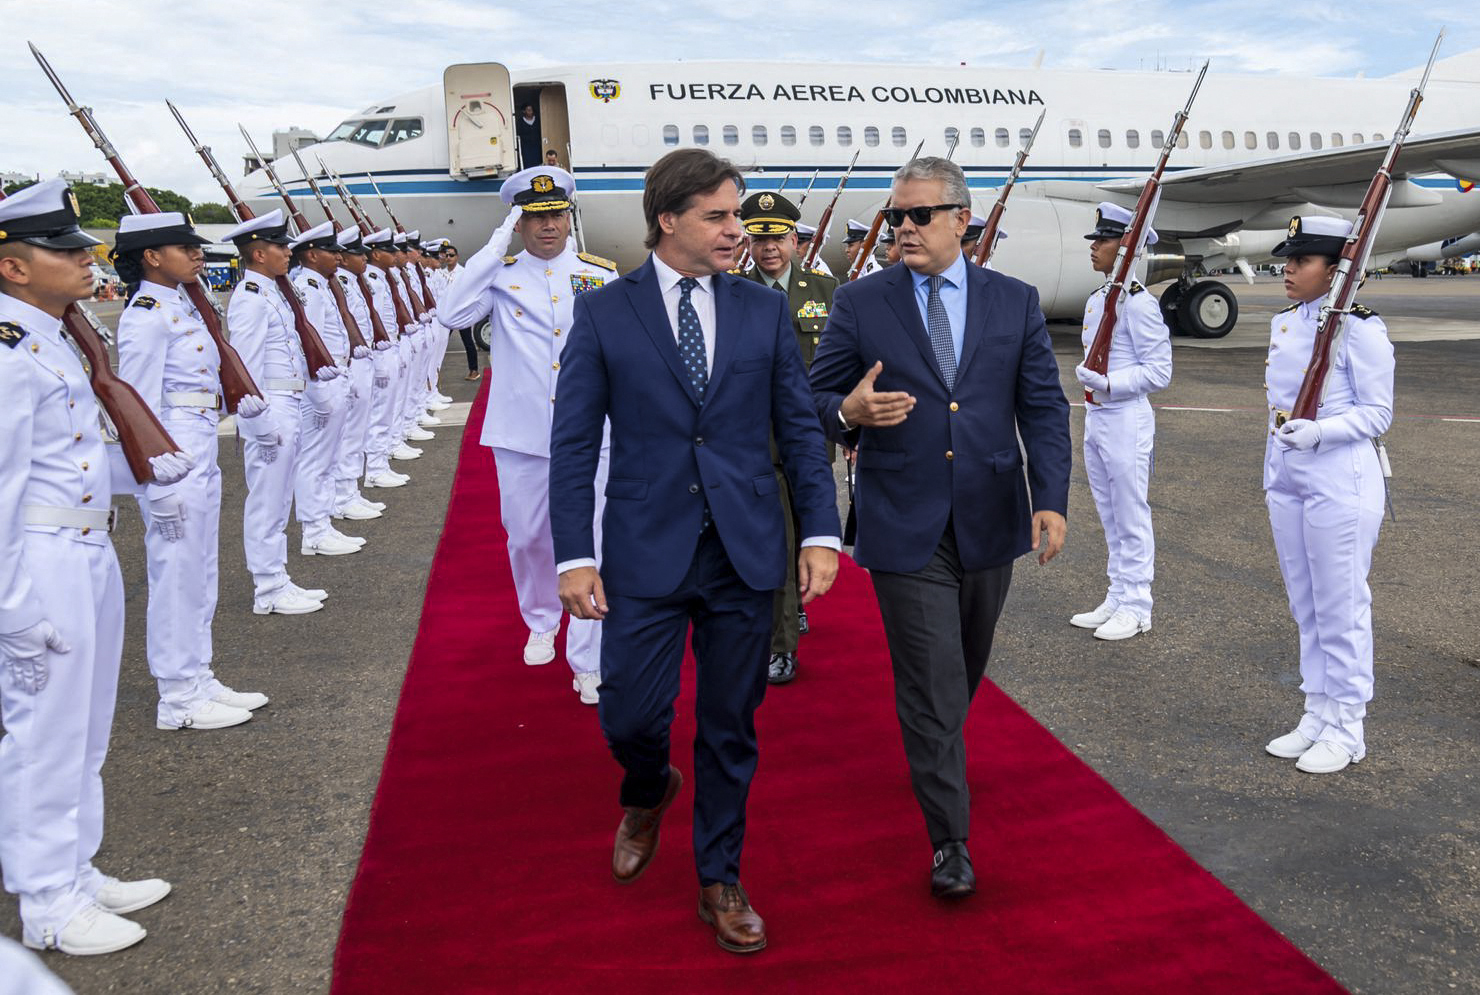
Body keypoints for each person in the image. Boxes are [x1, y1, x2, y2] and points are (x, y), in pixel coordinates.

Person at [550, 148, 841, 954]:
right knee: (632, 712)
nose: (736, 230)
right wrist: (573, 553)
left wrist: (818, 531)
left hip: (745, 550)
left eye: (737, 214)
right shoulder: (605, 313)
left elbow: (797, 429)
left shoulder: (760, 309)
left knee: (728, 722)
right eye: (717, 215)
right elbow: (573, 444)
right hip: (645, 548)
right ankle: (647, 788)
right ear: (667, 219)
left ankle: (720, 875)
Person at [809, 156, 1071, 900]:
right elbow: (815, 393)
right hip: (901, 519)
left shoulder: (1013, 301)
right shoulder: (863, 303)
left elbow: (1043, 407)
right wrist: (848, 414)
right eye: (897, 216)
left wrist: (1049, 497)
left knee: (962, 664)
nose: (905, 229)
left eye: (920, 215)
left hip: (990, 515)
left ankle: (936, 751)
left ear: (963, 219)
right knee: (930, 678)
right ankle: (949, 838)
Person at [0, 180, 187, 955]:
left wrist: (140, 474)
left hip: (86, 546)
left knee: (86, 730)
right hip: (40, 561)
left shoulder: (50, 337)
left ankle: (74, 868)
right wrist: (12, 611)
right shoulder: (8, 350)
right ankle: (46, 900)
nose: (88, 260)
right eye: (66, 249)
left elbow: (63, 457)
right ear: (12, 266)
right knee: (43, 732)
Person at [439, 165, 619, 705]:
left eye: (556, 214)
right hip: (522, 434)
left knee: (595, 544)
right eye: (534, 217)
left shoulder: (600, 276)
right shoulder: (499, 274)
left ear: (570, 217)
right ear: (518, 223)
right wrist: (493, 247)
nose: (548, 226)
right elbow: (451, 314)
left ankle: (587, 660)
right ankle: (541, 618)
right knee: (527, 537)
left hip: (591, 433)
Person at [111, 212, 269, 730]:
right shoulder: (147, 312)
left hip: (198, 441)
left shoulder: (181, 303)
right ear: (152, 257)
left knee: (201, 568)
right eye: (184, 246)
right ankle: (177, 697)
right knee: (177, 573)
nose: (197, 253)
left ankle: (199, 676)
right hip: (172, 454)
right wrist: (152, 477)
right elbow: (136, 402)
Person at [1262, 216, 1393, 775]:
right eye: (1288, 259)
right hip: (1287, 468)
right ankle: (1317, 711)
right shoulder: (1288, 322)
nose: (1288, 269)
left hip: (1339, 471)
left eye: (1302, 260)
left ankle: (1348, 726)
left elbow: (1378, 412)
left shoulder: (1360, 328)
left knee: (1341, 604)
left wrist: (1324, 431)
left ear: (1337, 270)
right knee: (1306, 602)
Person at [735, 190, 838, 685]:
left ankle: (794, 605)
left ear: (794, 239)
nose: (769, 248)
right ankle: (781, 647)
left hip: (811, 437)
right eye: (759, 239)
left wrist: (847, 424)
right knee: (776, 540)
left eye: (777, 238)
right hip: (758, 441)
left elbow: (839, 367)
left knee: (805, 527)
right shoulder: (732, 292)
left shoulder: (824, 289)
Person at [224, 209, 341, 614]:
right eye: (279, 245)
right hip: (272, 406)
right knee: (268, 501)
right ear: (258, 254)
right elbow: (247, 366)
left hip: (288, 401)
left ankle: (278, 577)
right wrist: (258, 421)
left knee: (280, 497)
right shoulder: (251, 299)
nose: (287, 251)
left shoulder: (272, 292)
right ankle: (268, 588)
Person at [1070, 203, 1172, 640]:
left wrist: (1109, 383)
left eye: (1104, 240)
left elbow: (1159, 371)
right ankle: (1118, 592)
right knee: (1110, 513)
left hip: (1125, 416)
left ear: (1126, 248)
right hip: (1098, 417)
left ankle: (1138, 604)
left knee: (1130, 514)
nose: (1094, 247)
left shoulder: (1137, 304)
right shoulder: (1100, 300)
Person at [290, 222, 365, 556]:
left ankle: (327, 516)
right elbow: (310, 338)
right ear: (311, 254)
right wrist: (321, 382)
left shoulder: (321, 284)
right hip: (321, 382)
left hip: (336, 376)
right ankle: (315, 531)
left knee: (330, 454)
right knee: (316, 459)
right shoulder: (306, 284)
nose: (338, 257)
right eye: (331, 251)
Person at [329, 228, 386, 521]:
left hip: (359, 359)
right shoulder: (332, 283)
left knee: (358, 429)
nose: (362, 258)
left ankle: (350, 491)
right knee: (349, 434)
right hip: (344, 366)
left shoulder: (351, 282)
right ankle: (342, 496)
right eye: (356, 254)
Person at [361, 228, 413, 488]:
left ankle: (384, 456)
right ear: (375, 254)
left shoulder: (382, 277)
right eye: (389, 251)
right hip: (379, 351)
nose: (395, 255)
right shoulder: (370, 278)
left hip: (389, 345)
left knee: (392, 405)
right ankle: (375, 468)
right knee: (380, 412)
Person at [517, 102, 541, 169]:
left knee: (537, 162)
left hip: (536, 145)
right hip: (526, 147)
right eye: (528, 110)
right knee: (527, 163)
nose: (530, 112)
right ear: (524, 111)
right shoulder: (520, 121)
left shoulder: (538, 120)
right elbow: (519, 134)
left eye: (531, 110)